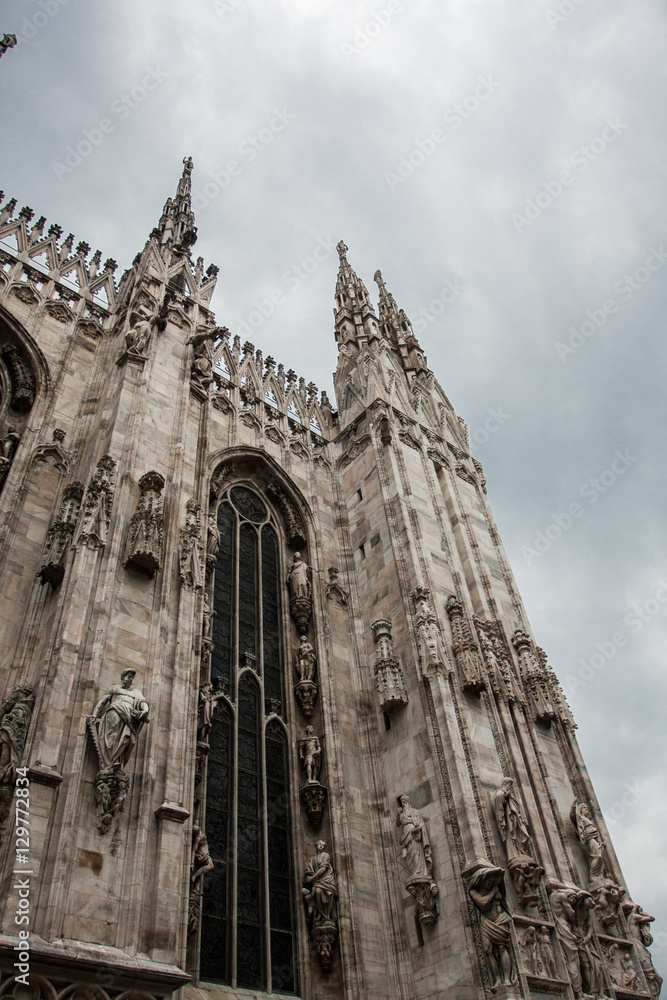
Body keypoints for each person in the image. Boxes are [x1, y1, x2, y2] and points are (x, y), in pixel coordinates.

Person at [88, 669, 149, 769]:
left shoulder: (136, 693)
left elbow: (143, 703)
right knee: (113, 738)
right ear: (123, 677)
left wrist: (145, 710)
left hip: (128, 719)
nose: (128, 679)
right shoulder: (115, 689)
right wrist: (94, 715)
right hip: (114, 715)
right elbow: (102, 703)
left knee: (129, 740)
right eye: (127, 676)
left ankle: (118, 761)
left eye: (130, 677)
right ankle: (112, 762)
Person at [469, 866, 516, 989]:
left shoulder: (497, 888)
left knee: (502, 948)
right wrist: (492, 892)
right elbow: (482, 903)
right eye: (489, 879)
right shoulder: (475, 891)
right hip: (487, 921)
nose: (491, 882)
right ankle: (497, 980)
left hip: (500, 919)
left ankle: (507, 979)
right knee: (487, 949)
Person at [396, 795, 432, 880]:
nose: (403, 803)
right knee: (407, 855)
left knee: (416, 852)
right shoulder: (401, 815)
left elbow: (421, 823)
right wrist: (397, 814)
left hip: (414, 835)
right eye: (402, 801)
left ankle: (420, 871)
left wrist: (418, 829)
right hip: (405, 836)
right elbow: (397, 824)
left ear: (409, 801)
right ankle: (414, 871)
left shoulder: (415, 812)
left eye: (404, 801)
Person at [302, 840, 338, 925]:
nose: (321, 846)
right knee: (317, 892)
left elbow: (323, 869)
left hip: (326, 880)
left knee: (325, 893)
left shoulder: (326, 855)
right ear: (316, 846)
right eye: (319, 845)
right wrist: (308, 877)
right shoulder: (313, 858)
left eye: (323, 845)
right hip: (317, 881)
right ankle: (320, 915)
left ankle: (327, 916)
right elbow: (310, 870)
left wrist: (312, 878)